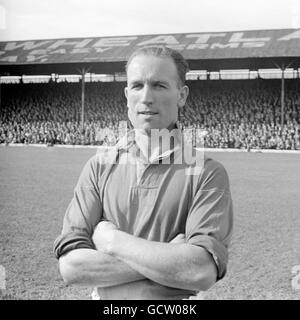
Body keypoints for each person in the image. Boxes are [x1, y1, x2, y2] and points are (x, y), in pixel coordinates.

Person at [53, 46, 234, 300]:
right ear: (127, 94)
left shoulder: (208, 174)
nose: (146, 97)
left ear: (182, 95)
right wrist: (171, 259)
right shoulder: (98, 167)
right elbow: (71, 267)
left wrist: (111, 241)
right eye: (137, 85)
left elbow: (199, 271)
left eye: (159, 85)